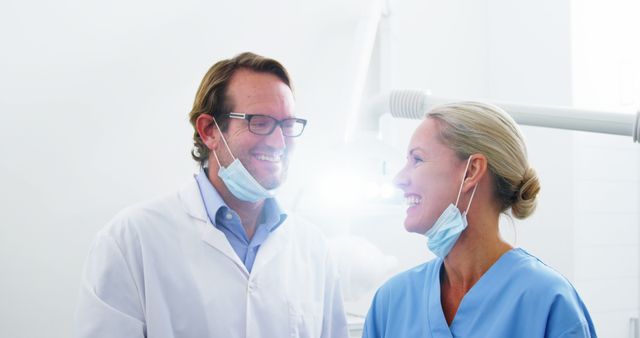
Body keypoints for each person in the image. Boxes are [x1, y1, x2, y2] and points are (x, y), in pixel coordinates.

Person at [74, 52, 349, 338]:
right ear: (209, 131)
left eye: (287, 125)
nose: (279, 141)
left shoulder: (312, 248)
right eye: (260, 122)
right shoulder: (132, 239)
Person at [363, 102, 596, 337]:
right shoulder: (392, 302)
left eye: (417, 159)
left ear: (472, 171)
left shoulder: (547, 301)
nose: (399, 179)